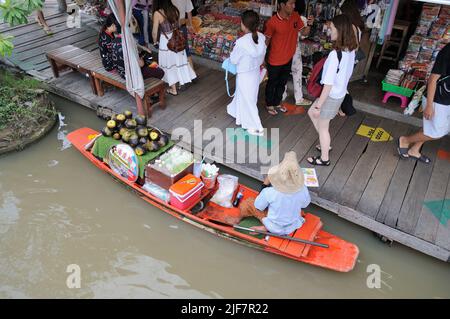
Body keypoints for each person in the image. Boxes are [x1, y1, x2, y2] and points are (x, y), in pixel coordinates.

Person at [306, 14, 357, 166]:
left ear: (340, 30)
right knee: (317, 119)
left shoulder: (336, 55)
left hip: (331, 95)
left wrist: (318, 105)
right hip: (339, 93)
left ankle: (324, 157)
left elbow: (328, 84)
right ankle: (325, 145)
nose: (330, 30)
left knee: (323, 127)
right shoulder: (350, 50)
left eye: (332, 28)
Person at [397, 43, 450, 164]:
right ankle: (405, 140)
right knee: (436, 133)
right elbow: (433, 79)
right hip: (437, 99)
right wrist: (429, 106)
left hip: (446, 100)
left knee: (431, 128)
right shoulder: (448, 51)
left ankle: (414, 150)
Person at [238, 151, 311, 235]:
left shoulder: (269, 192)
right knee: (294, 208)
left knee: (248, 203)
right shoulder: (303, 189)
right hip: (292, 225)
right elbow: (304, 205)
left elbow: (258, 207)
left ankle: (263, 227)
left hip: (273, 226)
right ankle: (271, 227)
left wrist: (264, 185)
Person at [226, 10, 267, 137]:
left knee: (247, 99)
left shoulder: (241, 42)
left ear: (243, 24)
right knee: (249, 97)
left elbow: (233, 59)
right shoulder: (261, 37)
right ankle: (240, 116)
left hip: (244, 74)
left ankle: (256, 127)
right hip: (255, 72)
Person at [264, 0, 305, 116]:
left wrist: (309, 24)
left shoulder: (295, 16)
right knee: (272, 83)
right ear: (282, 5)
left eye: (294, 3)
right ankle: (269, 104)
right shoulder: (272, 22)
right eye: (291, 3)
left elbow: (305, 32)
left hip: (288, 58)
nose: (294, 6)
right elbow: (266, 41)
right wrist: (261, 59)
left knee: (282, 83)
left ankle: (277, 103)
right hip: (275, 59)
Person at [99, 14, 164, 81]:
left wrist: (141, 50)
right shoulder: (126, 43)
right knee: (160, 71)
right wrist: (141, 59)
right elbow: (141, 64)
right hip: (130, 74)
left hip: (121, 71)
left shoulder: (114, 41)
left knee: (145, 57)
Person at [152, 0, 197, 96]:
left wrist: (155, 41)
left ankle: (173, 89)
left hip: (166, 41)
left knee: (168, 64)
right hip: (176, 38)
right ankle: (182, 81)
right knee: (178, 61)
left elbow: (155, 32)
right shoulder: (175, 9)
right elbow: (179, 24)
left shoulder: (157, 13)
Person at [283, 0, 314, 107]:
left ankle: (282, 94)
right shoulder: (301, 19)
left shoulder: (283, 16)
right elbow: (304, 34)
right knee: (297, 73)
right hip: (294, 50)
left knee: (283, 72)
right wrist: (309, 24)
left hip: (282, 49)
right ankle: (298, 98)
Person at [171, 0, 196, 74]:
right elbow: (189, 12)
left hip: (172, 27)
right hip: (181, 26)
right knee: (185, 49)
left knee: (175, 49)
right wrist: (190, 25)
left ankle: (181, 73)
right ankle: (192, 73)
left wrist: (190, 25)